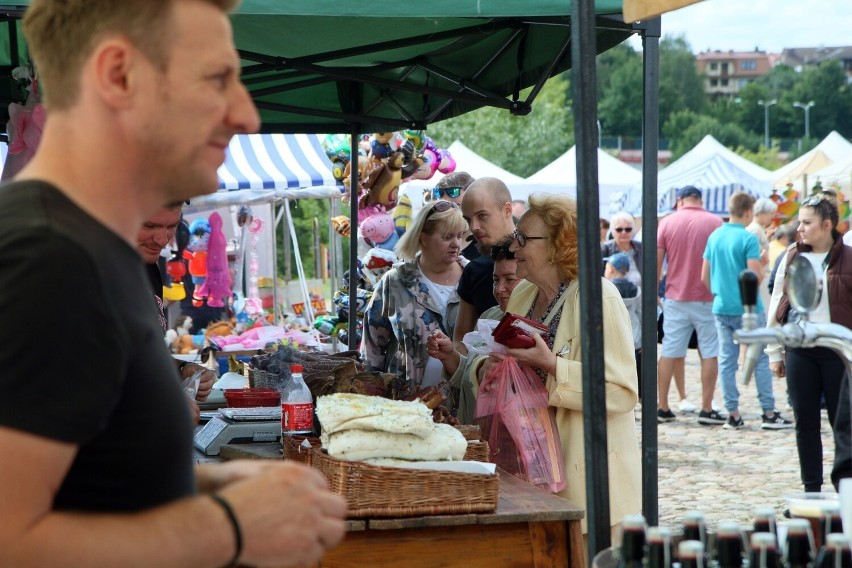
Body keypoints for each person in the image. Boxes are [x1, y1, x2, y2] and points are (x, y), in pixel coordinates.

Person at [0, 2, 346, 567]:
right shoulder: (49, 259)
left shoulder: (82, 247)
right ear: (117, 76)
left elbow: (80, 485)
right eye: (216, 79)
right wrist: (230, 526)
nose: (244, 115)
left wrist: (204, 487)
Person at [474, 193, 641, 539]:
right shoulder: (524, 294)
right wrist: (494, 368)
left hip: (590, 481)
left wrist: (552, 366)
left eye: (523, 239)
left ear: (557, 245)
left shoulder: (598, 297)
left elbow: (621, 391)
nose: (514, 246)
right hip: (532, 467)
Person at [767, 194, 852, 491]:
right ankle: (811, 489)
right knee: (805, 421)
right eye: (799, 222)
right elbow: (778, 301)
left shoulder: (850, 257)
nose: (799, 228)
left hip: (839, 353)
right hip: (801, 349)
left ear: (826, 225)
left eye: (806, 222)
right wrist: (774, 352)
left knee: (843, 425)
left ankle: (845, 489)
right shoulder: (792, 255)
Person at [361, 200, 469, 401]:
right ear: (423, 238)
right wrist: (370, 399)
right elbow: (371, 349)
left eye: (459, 236)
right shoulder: (394, 282)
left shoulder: (474, 278)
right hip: (405, 406)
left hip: (463, 406)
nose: (456, 244)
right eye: (447, 237)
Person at [702, 192, 793, 431]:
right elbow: (754, 277)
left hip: (721, 305)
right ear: (749, 212)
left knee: (726, 359)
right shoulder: (748, 239)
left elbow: (704, 276)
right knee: (761, 358)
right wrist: (763, 263)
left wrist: (719, 292)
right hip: (748, 307)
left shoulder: (714, 236)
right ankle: (768, 412)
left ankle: (732, 413)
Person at [426, 236, 521, 423]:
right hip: (475, 432)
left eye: (510, 279)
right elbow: (468, 377)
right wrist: (449, 356)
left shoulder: (533, 326)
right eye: (495, 280)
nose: (500, 288)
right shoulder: (489, 316)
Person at [138, 205, 216, 422]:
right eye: (149, 226)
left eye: (171, 226)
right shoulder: (91, 274)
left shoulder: (148, 267)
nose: (162, 240)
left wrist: (181, 369)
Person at [657, 186, 724, 425]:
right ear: (700, 199)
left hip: (675, 296)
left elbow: (658, 262)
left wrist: (656, 291)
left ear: (679, 201)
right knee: (709, 352)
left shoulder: (667, 222)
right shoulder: (715, 222)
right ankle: (707, 408)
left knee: (670, 351)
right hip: (707, 296)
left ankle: (662, 406)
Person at [453, 177, 516, 350]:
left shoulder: (540, 259)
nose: (474, 227)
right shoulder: (475, 271)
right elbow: (461, 342)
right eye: (468, 219)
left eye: (482, 216)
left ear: (507, 210)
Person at [604, 252, 642, 398]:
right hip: (634, 339)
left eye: (607, 267)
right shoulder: (637, 290)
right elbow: (641, 314)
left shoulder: (607, 289)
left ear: (612, 269)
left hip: (613, 340)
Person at [429, 171, 479, 260]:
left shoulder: (487, 241)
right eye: (442, 206)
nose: (448, 213)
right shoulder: (428, 237)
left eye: (455, 206)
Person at [746, 197, 778, 310]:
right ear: (762, 213)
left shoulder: (757, 228)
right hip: (759, 274)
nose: (772, 217)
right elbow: (755, 255)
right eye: (771, 213)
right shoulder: (755, 229)